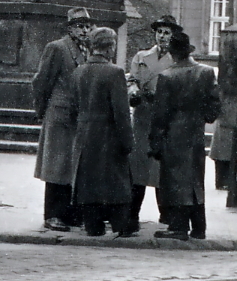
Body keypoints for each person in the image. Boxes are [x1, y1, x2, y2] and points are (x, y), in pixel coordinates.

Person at [151, 32, 221, 240]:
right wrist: (204, 117)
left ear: (172, 54)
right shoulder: (207, 72)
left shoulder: (167, 76)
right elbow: (215, 103)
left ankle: (178, 226)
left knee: (174, 179)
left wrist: (155, 141)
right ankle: (199, 227)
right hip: (195, 131)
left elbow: (160, 114)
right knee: (195, 179)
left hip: (173, 132)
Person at [67, 27, 135, 238]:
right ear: (111, 47)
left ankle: (92, 225)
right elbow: (122, 113)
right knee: (115, 181)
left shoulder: (78, 71)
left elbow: (72, 107)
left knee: (88, 182)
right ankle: (121, 225)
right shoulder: (115, 73)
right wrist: (128, 141)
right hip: (109, 135)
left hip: (85, 134)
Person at [32, 7, 92, 231]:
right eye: (79, 26)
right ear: (70, 29)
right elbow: (42, 81)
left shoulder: (87, 50)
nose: (84, 30)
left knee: (73, 166)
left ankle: (71, 214)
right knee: (57, 166)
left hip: (78, 115)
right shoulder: (57, 48)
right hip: (60, 112)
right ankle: (53, 215)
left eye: (87, 26)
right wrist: (42, 109)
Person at [125, 15, 182, 232]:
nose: (163, 36)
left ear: (173, 35)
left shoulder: (178, 60)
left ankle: (166, 215)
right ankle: (131, 214)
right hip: (142, 117)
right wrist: (134, 91)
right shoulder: (141, 56)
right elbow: (131, 79)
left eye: (167, 32)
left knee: (163, 168)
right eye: (160, 32)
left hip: (165, 120)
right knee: (138, 167)